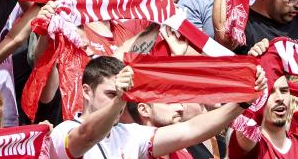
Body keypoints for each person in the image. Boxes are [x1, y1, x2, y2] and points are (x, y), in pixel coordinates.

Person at [49, 56, 266, 159]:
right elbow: (87, 136)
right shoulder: (62, 132)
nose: (119, 102)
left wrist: (241, 103)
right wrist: (120, 100)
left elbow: (190, 130)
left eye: (122, 95)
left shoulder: (130, 134)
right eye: (110, 94)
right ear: (87, 91)